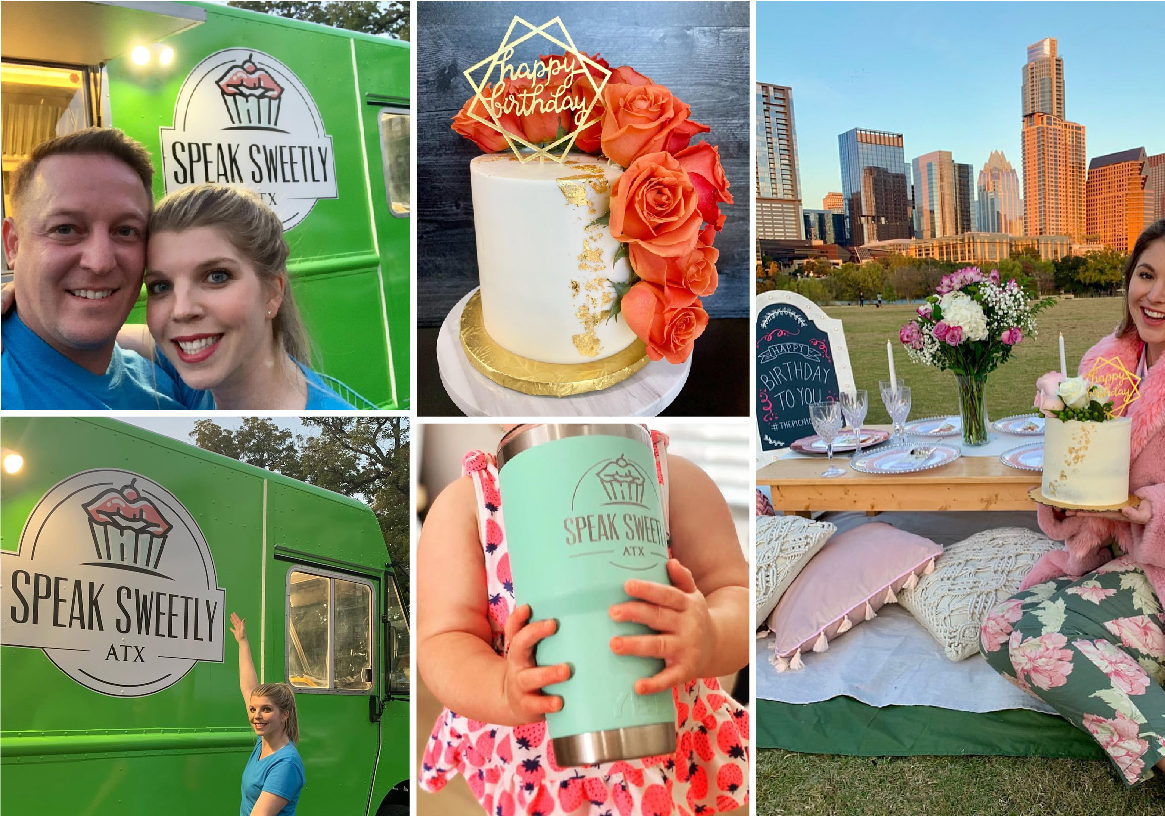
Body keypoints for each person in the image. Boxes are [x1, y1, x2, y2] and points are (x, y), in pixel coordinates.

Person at [417, 426, 750, 815]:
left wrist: (710, 635)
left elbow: (734, 593)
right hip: (536, 764)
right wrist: (501, 689)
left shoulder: (673, 481)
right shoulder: (469, 504)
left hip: (665, 756)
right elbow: (443, 638)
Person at [980, 217, 1165, 785]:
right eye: (1146, 274)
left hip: (1161, 572)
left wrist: (1151, 510)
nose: (1156, 296)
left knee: (1031, 636)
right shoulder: (1106, 363)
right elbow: (1079, 467)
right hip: (1113, 567)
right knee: (1000, 630)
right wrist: (1066, 502)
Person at [0, 128, 195, 408]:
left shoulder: (170, 381)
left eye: (126, 231)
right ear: (13, 244)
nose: (100, 262)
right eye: (65, 229)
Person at [133, 183, 354, 409]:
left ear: (272, 292)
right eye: (160, 286)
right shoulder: (200, 359)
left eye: (217, 277)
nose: (181, 310)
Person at [230, 611, 306, 816]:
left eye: (266, 709)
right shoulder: (263, 744)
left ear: (284, 714)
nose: (256, 716)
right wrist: (243, 643)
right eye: (254, 709)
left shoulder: (285, 764)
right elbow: (248, 689)